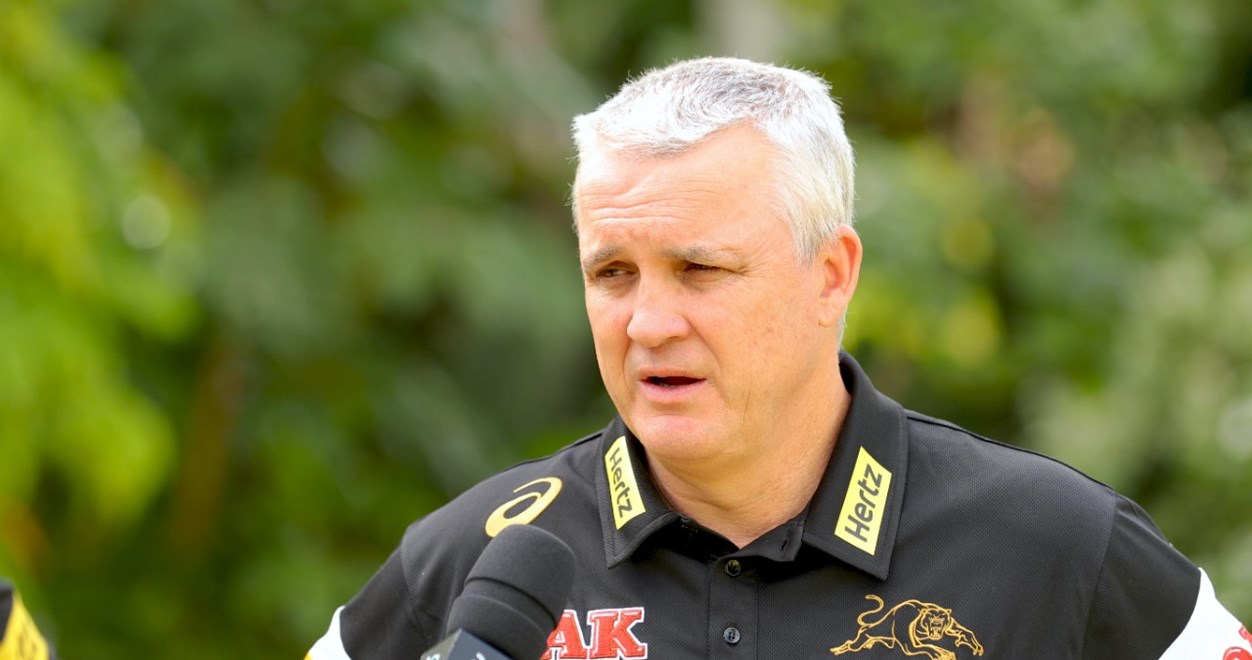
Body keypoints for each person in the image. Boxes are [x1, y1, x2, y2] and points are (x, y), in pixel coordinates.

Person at [307, 57, 1251, 659]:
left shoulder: (1055, 544)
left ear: (830, 276)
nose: (647, 323)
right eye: (613, 273)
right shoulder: (478, 556)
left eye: (700, 269)